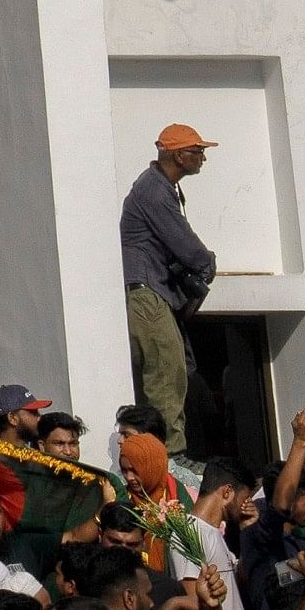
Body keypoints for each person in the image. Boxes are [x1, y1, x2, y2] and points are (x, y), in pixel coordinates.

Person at [119, 126, 216, 457]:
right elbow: (184, 243)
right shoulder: (155, 192)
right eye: (197, 151)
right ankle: (170, 458)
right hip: (148, 296)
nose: (202, 158)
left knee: (172, 374)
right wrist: (207, 264)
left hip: (152, 294)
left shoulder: (158, 188)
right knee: (166, 379)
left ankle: (161, 453)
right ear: (179, 155)